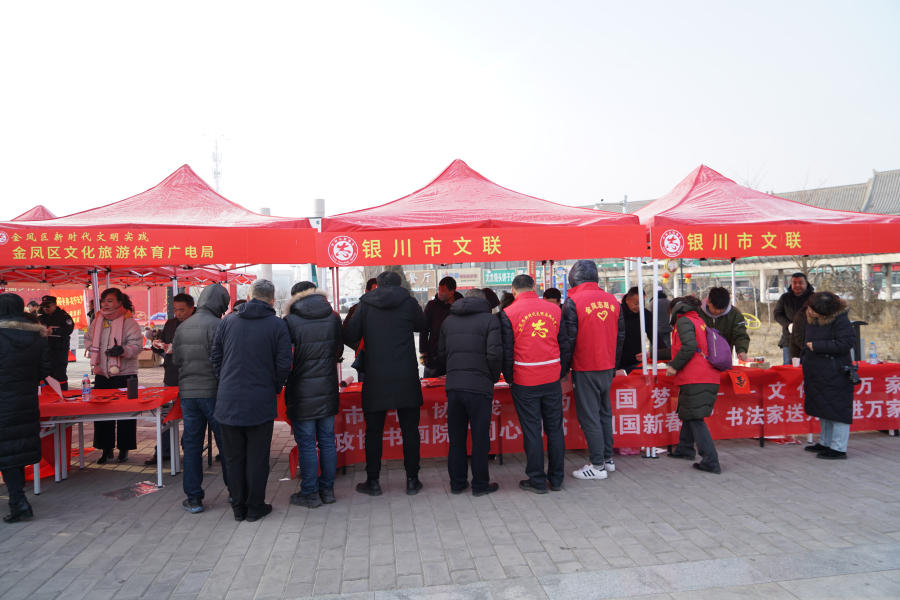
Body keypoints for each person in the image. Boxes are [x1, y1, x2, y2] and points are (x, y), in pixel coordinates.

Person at [211, 279, 292, 522]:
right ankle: (255, 506)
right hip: (260, 400)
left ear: (248, 296)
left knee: (233, 457)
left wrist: (225, 380)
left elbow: (215, 357)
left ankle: (238, 506)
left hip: (228, 400)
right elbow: (284, 364)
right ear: (272, 300)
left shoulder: (228, 321)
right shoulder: (278, 325)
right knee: (258, 457)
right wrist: (273, 387)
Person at [345, 270, 426, 496]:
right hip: (406, 375)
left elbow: (350, 334)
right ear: (399, 284)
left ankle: (373, 481)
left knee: (373, 432)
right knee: (410, 430)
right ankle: (412, 480)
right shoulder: (409, 302)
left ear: (378, 285)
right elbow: (422, 324)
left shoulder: (365, 305)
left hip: (375, 376)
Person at [500, 274, 572, 494]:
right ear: (534, 288)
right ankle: (557, 479)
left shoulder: (508, 313)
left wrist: (510, 378)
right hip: (551, 378)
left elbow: (507, 352)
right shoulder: (555, 309)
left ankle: (537, 480)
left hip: (524, 380)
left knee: (532, 431)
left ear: (513, 291)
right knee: (555, 429)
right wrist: (560, 371)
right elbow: (565, 345)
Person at [283, 281, 343, 508]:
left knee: (307, 443)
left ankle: (310, 492)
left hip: (301, 391)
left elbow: (285, 357)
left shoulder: (290, 321)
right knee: (327, 440)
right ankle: (328, 491)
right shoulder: (333, 317)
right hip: (328, 388)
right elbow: (338, 349)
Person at [437, 288, 502, 496]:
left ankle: (457, 483)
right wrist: (492, 378)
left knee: (456, 437)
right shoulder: (490, 320)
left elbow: (441, 354)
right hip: (479, 386)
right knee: (480, 437)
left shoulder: (448, 321)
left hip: (454, 386)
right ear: (484, 302)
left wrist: (453, 371)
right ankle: (480, 484)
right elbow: (495, 354)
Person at [172, 284, 231, 514]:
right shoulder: (220, 325)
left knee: (192, 446)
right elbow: (226, 360)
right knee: (226, 444)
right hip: (215, 393)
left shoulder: (182, 327)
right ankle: (234, 491)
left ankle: (194, 499)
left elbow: (176, 360)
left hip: (188, 394)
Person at [563, 261, 624, 480]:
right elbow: (620, 336)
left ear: (574, 278)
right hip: (607, 365)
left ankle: (597, 466)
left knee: (590, 417)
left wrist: (563, 368)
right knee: (604, 413)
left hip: (585, 366)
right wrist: (614, 364)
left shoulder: (573, 301)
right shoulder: (613, 301)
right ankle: (607, 460)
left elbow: (568, 340)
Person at [0, 293, 51, 523]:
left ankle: (18, 501)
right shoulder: (37, 335)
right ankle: (17, 498)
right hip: (26, 399)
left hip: (3, 401)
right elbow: (45, 370)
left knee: (7, 449)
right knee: (16, 447)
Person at [85, 289, 143, 464]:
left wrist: (123, 350)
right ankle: (105, 448)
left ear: (119, 302)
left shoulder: (129, 322)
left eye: (109, 301)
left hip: (125, 374)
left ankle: (124, 448)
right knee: (102, 412)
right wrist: (94, 348)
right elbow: (87, 339)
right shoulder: (97, 320)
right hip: (102, 373)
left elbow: (137, 346)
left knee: (126, 413)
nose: (105, 304)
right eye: (103, 301)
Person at [666, 296, 721, 474]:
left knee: (696, 418)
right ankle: (685, 449)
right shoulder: (699, 321)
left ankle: (710, 461)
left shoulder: (683, 321)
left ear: (675, 309)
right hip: (705, 375)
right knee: (689, 413)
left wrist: (674, 366)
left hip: (695, 376)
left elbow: (689, 347)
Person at [801, 292, 855, 460]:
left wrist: (818, 346)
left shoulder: (840, 321)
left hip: (835, 373)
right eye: (810, 308)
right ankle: (825, 442)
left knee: (837, 411)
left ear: (826, 312)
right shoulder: (813, 318)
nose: (810, 312)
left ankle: (838, 448)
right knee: (824, 409)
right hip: (817, 372)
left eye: (814, 310)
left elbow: (846, 343)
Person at [145, 293, 195, 465]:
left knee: (190, 415)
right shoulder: (170, 323)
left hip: (192, 374)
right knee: (165, 414)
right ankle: (164, 450)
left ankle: (189, 449)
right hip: (172, 374)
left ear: (191, 308)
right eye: (175, 310)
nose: (178, 314)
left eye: (182, 310)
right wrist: (157, 345)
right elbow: (162, 345)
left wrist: (178, 349)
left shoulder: (198, 324)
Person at [617, 287, 671, 373]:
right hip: (617, 360)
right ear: (627, 300)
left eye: (641, 303)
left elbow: (654, 336)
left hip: (636, 360)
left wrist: (666, 355)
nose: (639, 307)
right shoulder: (617, 313)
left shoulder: (646, 315)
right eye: (636, 303)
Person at [420, 276, 463, 377]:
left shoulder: (461, 305)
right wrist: (423, 352)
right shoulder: (432, 305)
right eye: (439, 289)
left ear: (452, 291)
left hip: (456, 352)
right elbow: (424, 329)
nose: (440, 292)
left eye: (443, 290)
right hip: (435, 353)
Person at [699, 287, 750, 362]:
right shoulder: (697, 312)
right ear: (708, 302)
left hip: (723, 358)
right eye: (714, 308)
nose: (717, 311)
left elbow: (740, 335)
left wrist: (741, 350)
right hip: (701, 356)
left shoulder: (735, 314)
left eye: (721, 308)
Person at [774, 273, 814, 365]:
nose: (797, 285)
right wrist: (788, 325)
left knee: (808, 366)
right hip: (788, 339)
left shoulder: (813, 298)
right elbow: (777, 314)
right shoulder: (785, 298)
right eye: (794, 283)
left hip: (809, 339)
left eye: (800, 282)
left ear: (806, 284)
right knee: (788, 365)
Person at [37, 295, 75, 391]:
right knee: (46, 372)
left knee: (59, 373)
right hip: (46, 349)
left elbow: (68, 330)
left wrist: (54, 331)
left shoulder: (64, 316)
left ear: (54, 305)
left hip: (60, 350)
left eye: (48, 306)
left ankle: (63, 392)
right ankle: (48, 393)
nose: (45, 309)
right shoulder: (42, 317)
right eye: (43, 307)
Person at [343, 278, 377, 352]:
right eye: (374, 291)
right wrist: (360, 347)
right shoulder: (356, 308)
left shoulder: (386, 307)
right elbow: (345, 331)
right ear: (366, 291)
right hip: (364, 352)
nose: (376, 295)